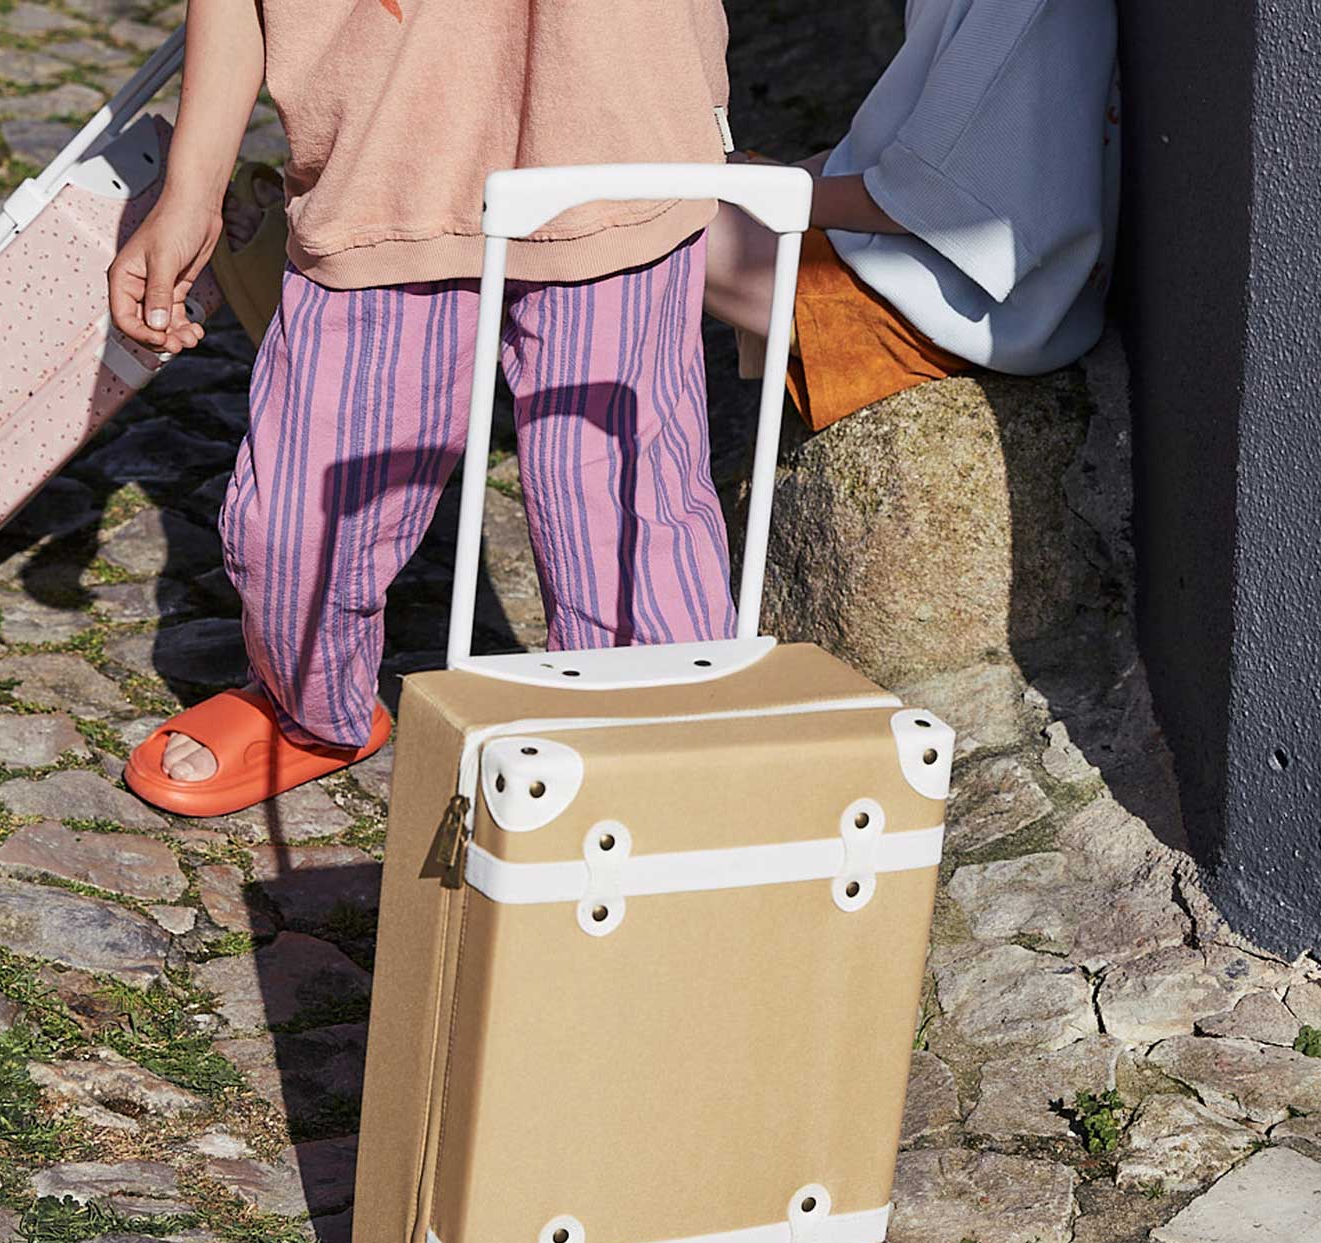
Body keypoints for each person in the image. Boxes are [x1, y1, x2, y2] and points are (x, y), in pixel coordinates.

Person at [110, 0, 735, 816]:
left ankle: (661, 770)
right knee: (294, 530)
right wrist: (190, 190)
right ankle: (312, 712)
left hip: (613, 132)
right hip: (378, 167)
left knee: (618, 517)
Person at [704, 0, 1120, 432]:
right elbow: (897, 154)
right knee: (701, 184)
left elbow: (928, 197)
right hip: (935, 250)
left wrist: (771, 193)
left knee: (668, 215)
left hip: (966, 304)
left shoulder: (1016, 9)